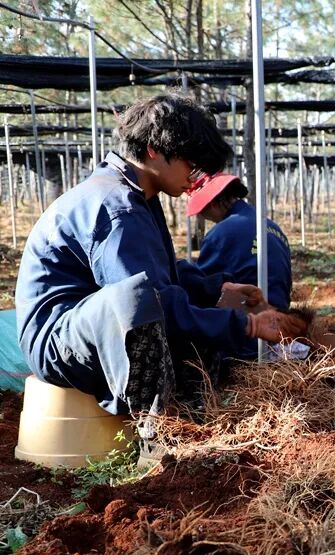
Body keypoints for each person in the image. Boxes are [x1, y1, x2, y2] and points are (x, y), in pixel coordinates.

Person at [15, 93, 304, 422]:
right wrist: (248, 325)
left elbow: (164, 275)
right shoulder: (118, 208)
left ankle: (194, 412)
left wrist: (217, 289)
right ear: (154, 150)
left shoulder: (138, 196)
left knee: (182, 306)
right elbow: (149, 298)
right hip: (57, 341)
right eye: (190, 165)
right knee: (144, 302)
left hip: (86, 324)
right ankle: (158, 433)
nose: (194, 179)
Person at [186, 172, 292, 312]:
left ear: (213, 204)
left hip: (252, 316)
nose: (204, 217)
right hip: (281, 312)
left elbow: (201, 287)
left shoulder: (220, 234)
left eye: (203, 212)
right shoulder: (271, 226)